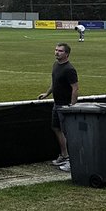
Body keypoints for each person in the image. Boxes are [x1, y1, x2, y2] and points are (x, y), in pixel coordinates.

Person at [38, 42, 78, 171]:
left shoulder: (69, 69)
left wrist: (72, 105)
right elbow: (54, 82)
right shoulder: (56, 65)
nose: (56, 52)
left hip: (65, 105)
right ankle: (64, 155)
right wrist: (47, 93)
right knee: (56, 128)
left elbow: (75, 88)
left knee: (68, 132)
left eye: (60, 51)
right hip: (57, 104)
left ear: (66, 54)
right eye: (56, 50)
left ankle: (73, 161)